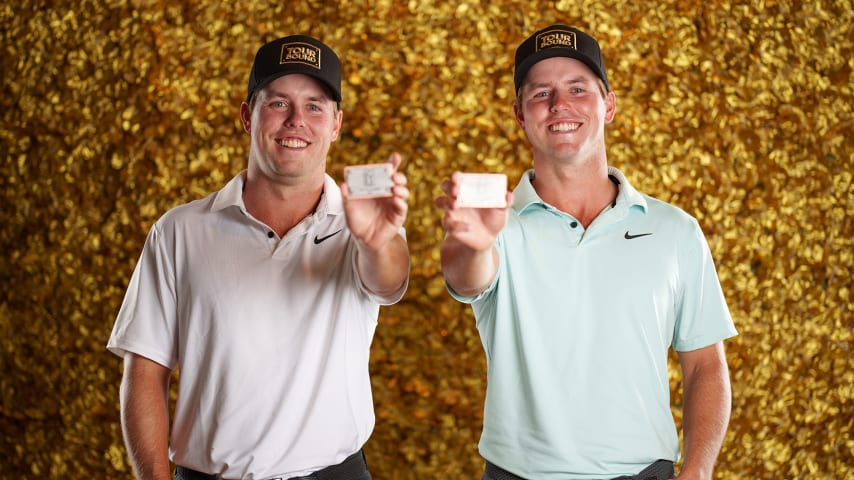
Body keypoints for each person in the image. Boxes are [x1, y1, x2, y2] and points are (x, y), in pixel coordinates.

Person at [436, 24, 737, 480]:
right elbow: (467, 277)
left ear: (608, 105)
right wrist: (470, 242)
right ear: (520, 114)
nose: (560, 105)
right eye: (541, 94)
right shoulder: (494, 224)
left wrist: (697, 471)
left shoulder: (675, 230)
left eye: (578, 89)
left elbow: (705, 366)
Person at [107, 34, 410, 480]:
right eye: (278, 103)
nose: (296, 121)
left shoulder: (367, 223)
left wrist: (375, 240)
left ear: (336, 123)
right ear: (248, 115)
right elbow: (145, 371)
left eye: (314, 106)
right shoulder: (179, 230)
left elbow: (388, 281)